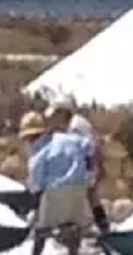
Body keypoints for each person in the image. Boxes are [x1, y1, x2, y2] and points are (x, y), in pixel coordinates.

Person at [19, 109, 94, 255]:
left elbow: (35, 183)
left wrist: (34, 196)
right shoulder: (68, 138)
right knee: (73, 227)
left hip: (57, 189)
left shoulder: (39, 151)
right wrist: (88, 174)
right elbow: (88, 147)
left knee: (41, 229)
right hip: (79, 186)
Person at [45, 96, 111, 235]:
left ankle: (88, 230)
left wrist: (93, 170)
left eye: (56, 114)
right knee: (89, 197)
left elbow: (90, 148)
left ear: (63, 112)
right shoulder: (70, 125)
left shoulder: (77, 126)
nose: (54, 118)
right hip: (85, 167)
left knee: (82, 197)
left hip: (88, 166)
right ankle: (101, 229)